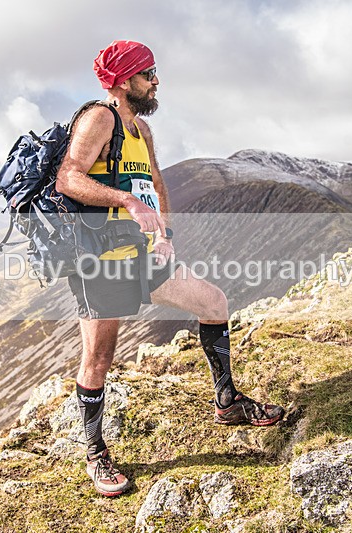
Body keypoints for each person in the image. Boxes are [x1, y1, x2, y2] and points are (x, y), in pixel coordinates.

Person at [55, 40, 285, 498]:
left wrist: (164, 236)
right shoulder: (99, 118)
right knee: (99, 358)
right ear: (123, 81)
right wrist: (124, 200)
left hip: (143, 256)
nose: (156, 80)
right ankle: (96, 452)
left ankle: (227, 402)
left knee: (213, 302)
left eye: (155, 72)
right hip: (99, 262)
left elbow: (156, 183)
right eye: (148, 73)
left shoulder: (141, 130)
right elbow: (69, 177)